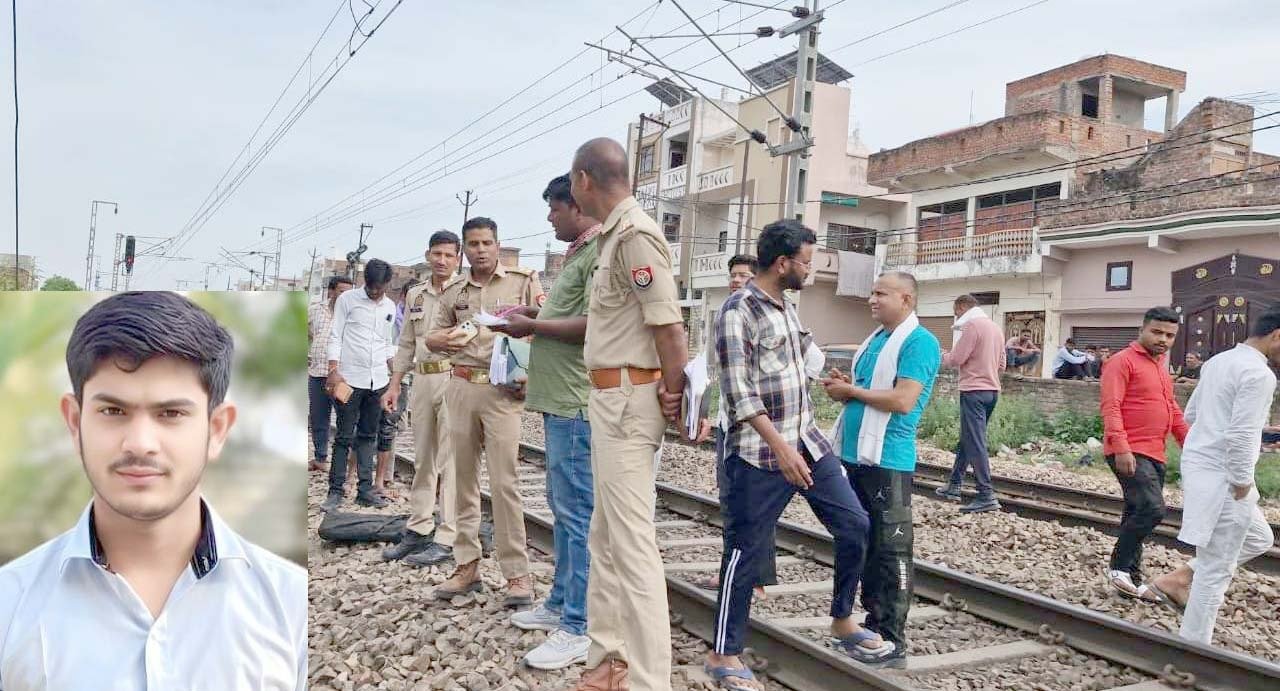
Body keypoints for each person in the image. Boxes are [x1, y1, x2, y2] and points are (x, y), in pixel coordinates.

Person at [0, 292, 307, 689]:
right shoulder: (10, 604)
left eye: (171, 414)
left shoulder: (290, 605)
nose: (140, 442)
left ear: (217, 430)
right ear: (75, 422)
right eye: (113, 411)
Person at [706, 220, 877, 690]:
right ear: (782, 264)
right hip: (760, 454)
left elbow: (801, 361)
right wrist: (780, 449)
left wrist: (835, 380)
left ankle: (843, 618)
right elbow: (738, 393)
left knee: (854, 525)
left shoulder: (786, 307)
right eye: (806, 262)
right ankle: (724, 654)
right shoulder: (737, 311)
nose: (811, 270)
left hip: (808, 442)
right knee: (745, 550)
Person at [567, 138, 699, 691]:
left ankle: (648, 680)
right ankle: (609, 659)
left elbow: (668, 326)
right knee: (606, 537)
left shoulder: (637, 234)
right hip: (610, 396)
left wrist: (675, 394)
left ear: (583, 180)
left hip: (628, 399)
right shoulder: (615, 236)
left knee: (633, 546)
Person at [486, 174, 601, 670]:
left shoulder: (597, 252)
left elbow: (596, 324)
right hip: (559, 402)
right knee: (563, 508)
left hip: (577, 402)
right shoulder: (577, 252)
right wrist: (538, 311)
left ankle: (579, 625)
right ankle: (559, 604)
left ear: (575, 205)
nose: (549, 217)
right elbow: (568, 313)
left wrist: (532, 325)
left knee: (576, 517)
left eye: (554, 208)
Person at [821, 270, 941, 667]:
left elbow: (903, 400)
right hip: (855, 457)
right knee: (863, 544)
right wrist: (847, 387)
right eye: (871, 292)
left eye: (881, 294)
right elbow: (868, 394)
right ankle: (870, 630)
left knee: (890, 552)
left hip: (888, 460)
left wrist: (852, 391)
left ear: (906, 299)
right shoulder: (875, 342)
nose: (872, 299)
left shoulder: (920, 342)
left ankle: (892, 639)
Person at [425, 217, 544, 609]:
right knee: (460, 479)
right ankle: (466, 564)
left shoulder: (523, 281)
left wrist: (532, 374)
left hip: (503, 392)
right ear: (465, 247)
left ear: (498, 244)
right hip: (460, 385)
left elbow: (544, 328)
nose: (480, 249)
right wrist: (437, 340)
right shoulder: (455, 290)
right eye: (472, 243)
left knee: (505, 482)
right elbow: (433, 334)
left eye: (486, 242)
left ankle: (517, 574)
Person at [1147, 309, 1280, 643]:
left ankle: (1178, 580)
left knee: (1259, 538)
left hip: (1200, 468)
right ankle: (1194, 650)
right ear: (1277, 336)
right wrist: (1241, 482)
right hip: (1226, 480)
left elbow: (1194, 414)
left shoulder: (1218, 362)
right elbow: (1239, 437)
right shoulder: (1260, 375)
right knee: (1215, 571)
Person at [380, 232, 463, 567]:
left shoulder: (466, 291)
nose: (442, 260)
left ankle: (448, 534)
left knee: (452, 460)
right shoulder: (415, 293)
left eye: (448, 255)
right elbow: (406, 344)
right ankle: (418, 526)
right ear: (428, 254)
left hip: (454, 378)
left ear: (458, 258)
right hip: (423, 379)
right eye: (437, 254)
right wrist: (394, 384)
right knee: (422, 457)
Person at [696, 254, 775, 602]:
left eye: (743, 275)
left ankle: (755, 578)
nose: (735, 280)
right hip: (730, 424)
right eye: (732, 275)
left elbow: (809, 358)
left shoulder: (770, 317)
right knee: (731, 502)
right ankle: (734, 571)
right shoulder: (729, 317)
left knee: (755, 506)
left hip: (758, 428)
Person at [1100, 307, 1189, 602]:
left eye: (1170, 335)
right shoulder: (1121, 362)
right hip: (1129, 450)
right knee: (1152, 509)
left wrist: (1189, 443)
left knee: (1136, 511)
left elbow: (1172, 409)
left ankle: (1130, 581)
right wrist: (1121, 447)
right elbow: (1111, 406)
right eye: (1157, 332)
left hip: (1155, 452)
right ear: (1142, 329)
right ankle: (1118, 567)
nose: (1163, 339)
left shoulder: (1161, 366)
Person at [322, 259, 398, 512]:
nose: (374, 292)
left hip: (378, 381)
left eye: (379, 287)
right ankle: (335, 491)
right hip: (349, 380)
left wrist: (395, 376)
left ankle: (365, 490)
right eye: (371, 286)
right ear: (364, 280)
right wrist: (333, 370)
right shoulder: (348, 300)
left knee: (368, 436)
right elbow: (336, 336)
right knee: (344, 437)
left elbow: (387, 343)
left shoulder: (389, 306)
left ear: (388, 285)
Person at [937, 294, 1006, 513]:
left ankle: (986, 494)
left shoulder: (972, 326)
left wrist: (941, 355)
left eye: (956, 311)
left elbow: (956, 359)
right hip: (992, 391)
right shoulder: (995, 328)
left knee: (975, 442)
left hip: (973, 391)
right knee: (970, 438)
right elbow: (1002, 364)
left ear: (962, 307)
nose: (956, 315)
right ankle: (954, 484)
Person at [375, 281, 416, 498]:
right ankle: (384, 476)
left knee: (397, 426)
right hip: (388, 376)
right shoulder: (392, 316)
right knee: (388, 425)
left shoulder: (417, 318)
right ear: (403, 296)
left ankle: (383, 474)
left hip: (407, 376)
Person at [308, 275, 353, 471]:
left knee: (346, 416)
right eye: (342, 291)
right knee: (318, 416)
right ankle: (320, 457)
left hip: (342, 374)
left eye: (350, 292)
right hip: (317, 371)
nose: (346, 295)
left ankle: (342, 461)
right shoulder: (315, 310)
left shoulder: (353, 312)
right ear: (332, 291)